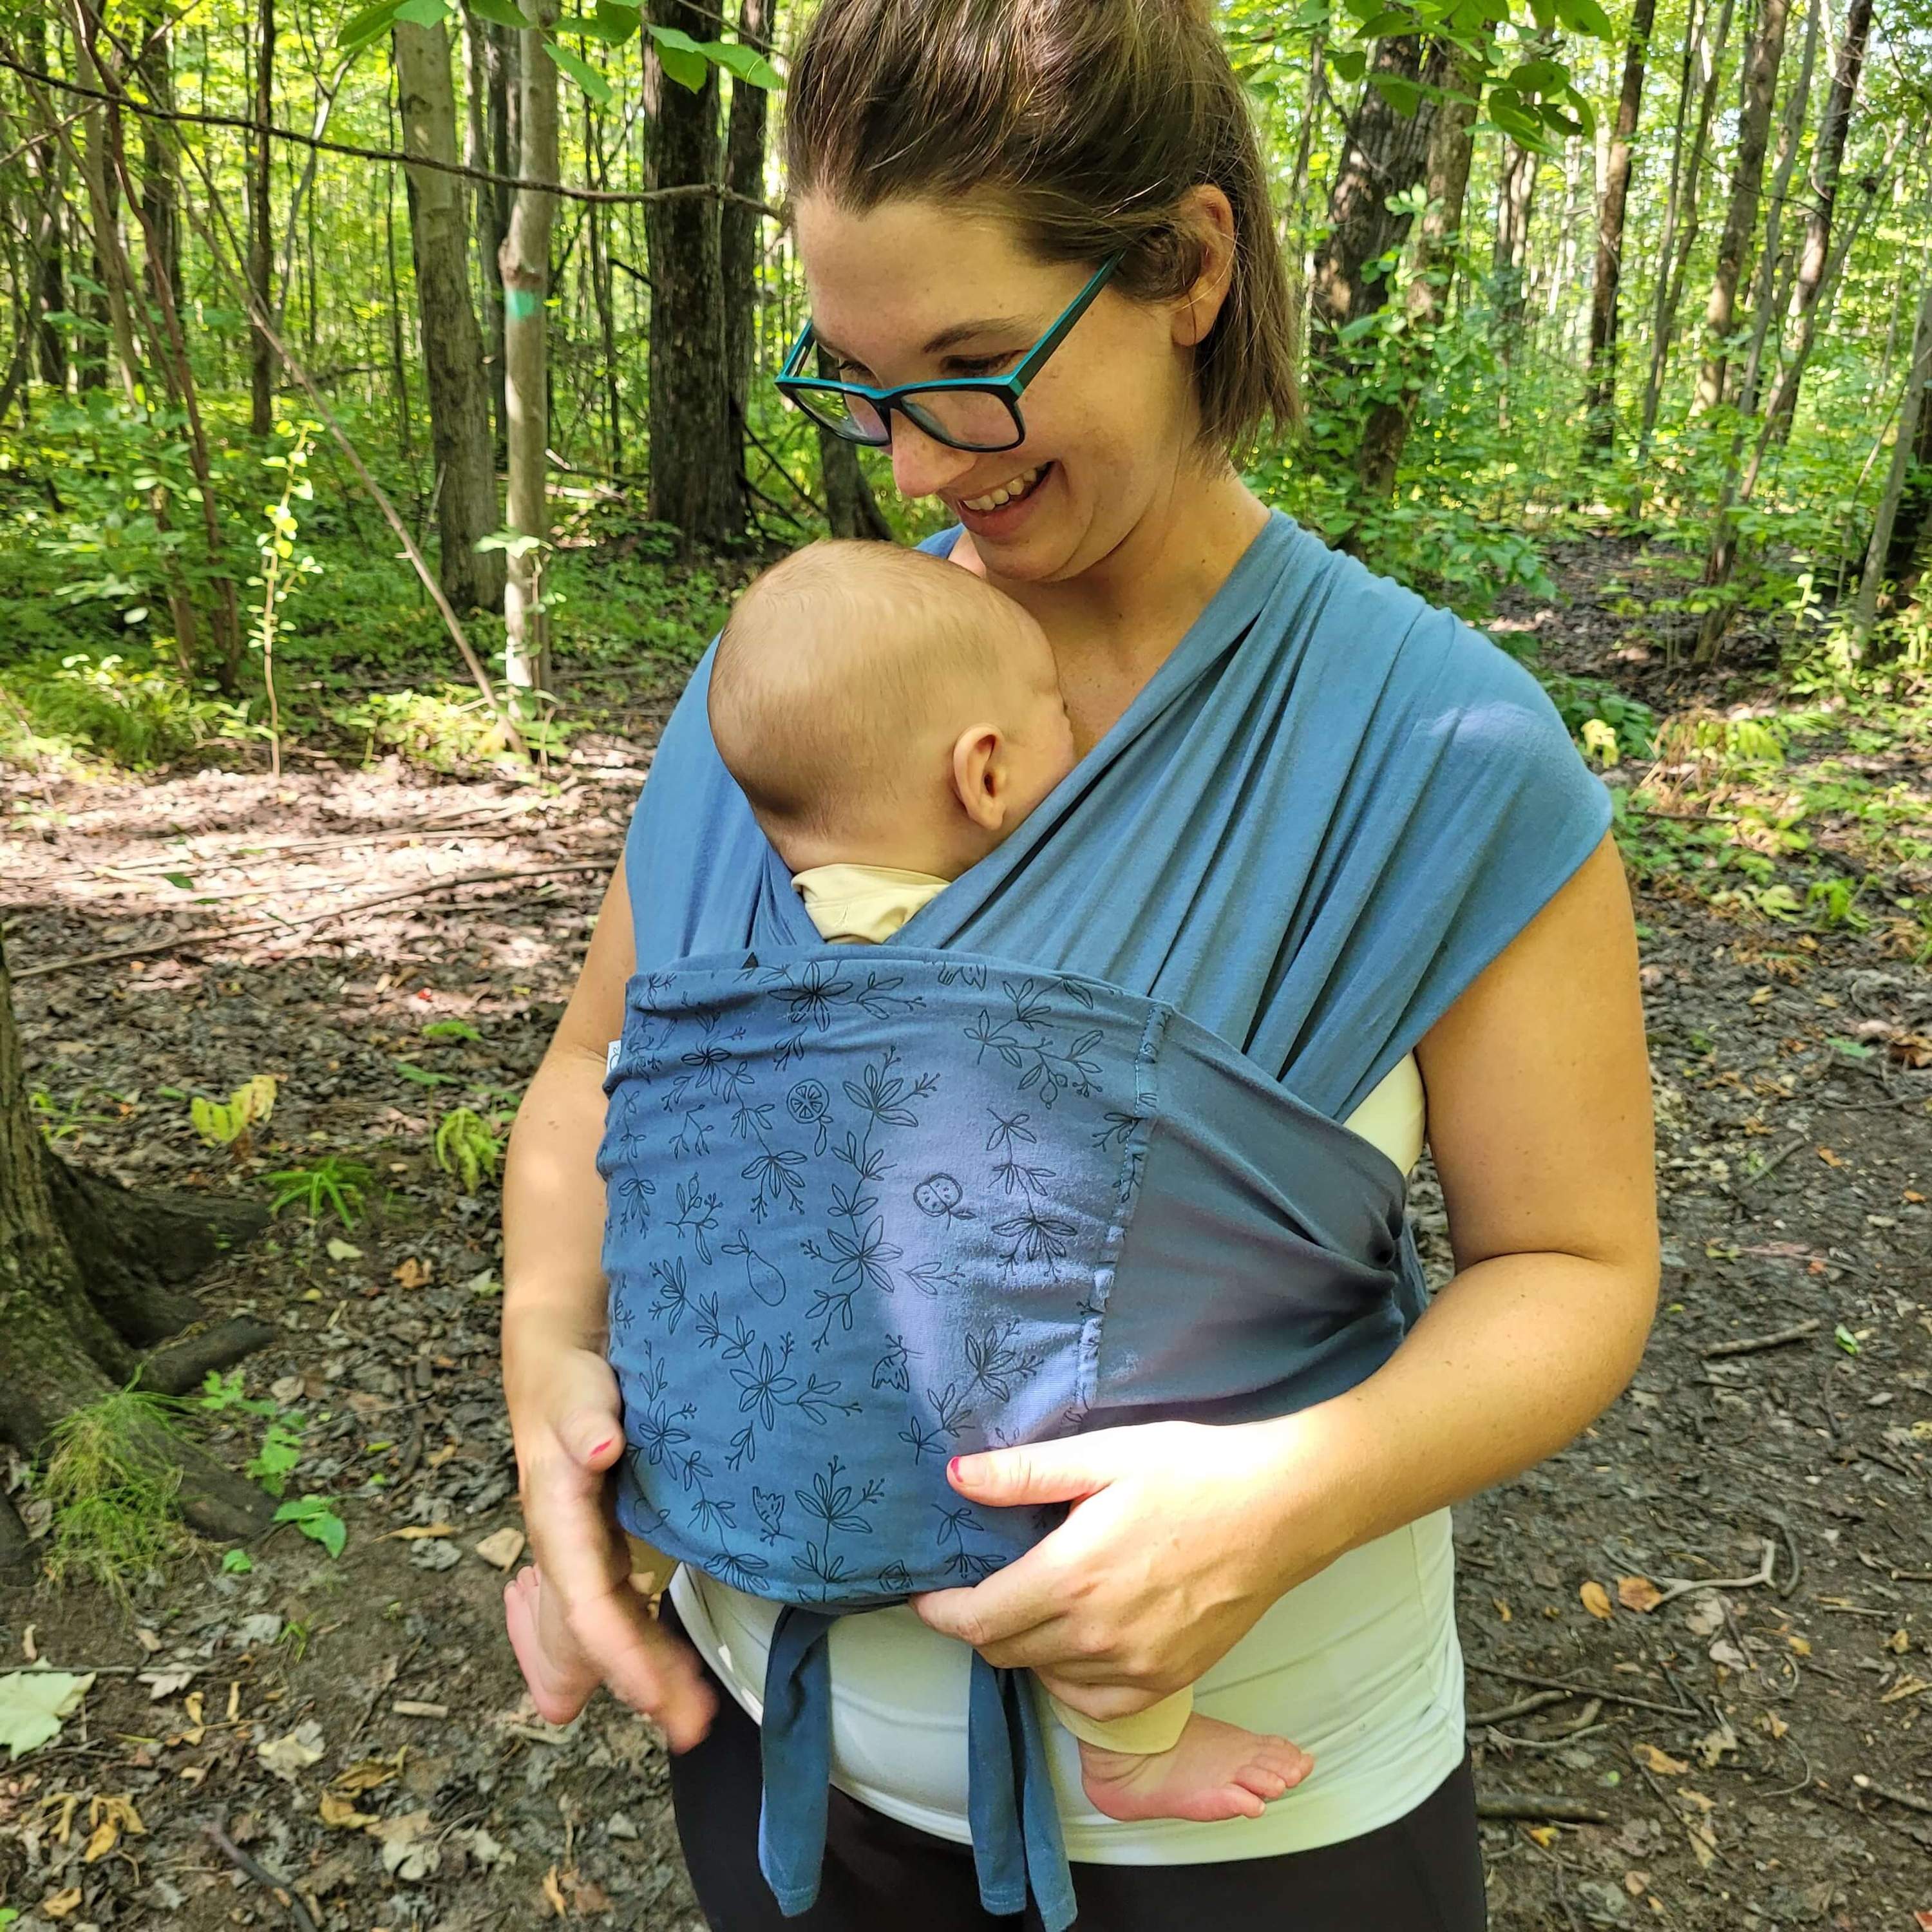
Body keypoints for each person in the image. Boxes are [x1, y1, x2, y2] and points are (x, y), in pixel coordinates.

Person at [499, 1, 1659, 1925]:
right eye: (855, 379)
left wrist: (1290, 1498)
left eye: (971, 366)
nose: (913, 463)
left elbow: (1576, 1269)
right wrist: (550, 1361)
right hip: (776, 1775)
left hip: (1243, 1838)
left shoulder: (1431, 754)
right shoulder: (797, 690)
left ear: (1188, 266)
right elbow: (590, 1081)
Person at [506, 536, 1332, 1830]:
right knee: (1094, 1532)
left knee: (650, 1445)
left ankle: (575, 1603)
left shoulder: (715, 973)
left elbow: (608, 1099)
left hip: (715, 1398)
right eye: (1063, 722)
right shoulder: (1017, 977)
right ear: (988, 772)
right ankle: (1132, 1743)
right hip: (947, 1451)